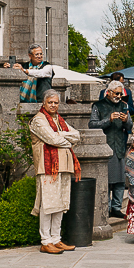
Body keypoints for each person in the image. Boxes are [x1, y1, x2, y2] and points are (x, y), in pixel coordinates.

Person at [30, 88, 82, 254]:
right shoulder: (38, 120)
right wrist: (64, 138)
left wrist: (60, 135)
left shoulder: (59, 120)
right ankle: (45, 240)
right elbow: (51, 139)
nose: (53, 105)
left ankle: (56, 238)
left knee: (60, 202)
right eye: (50, 102)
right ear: (44, 103)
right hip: (47, 167)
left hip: (64, 165)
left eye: (55, 102)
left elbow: (77, 135)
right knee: (48, 203)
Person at [92, 80, 134, 219]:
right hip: (105, 146)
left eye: (120, 94)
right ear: (108, 92)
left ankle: (116, 207)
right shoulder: (98, 105)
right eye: (116, 93)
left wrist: (126, 120)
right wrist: (108, 120)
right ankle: (107, 207)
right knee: (108, 180)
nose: (119, 96)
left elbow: (129, 127)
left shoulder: (123, 105)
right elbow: (92, 125)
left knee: (121, 181)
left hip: (120, 146)